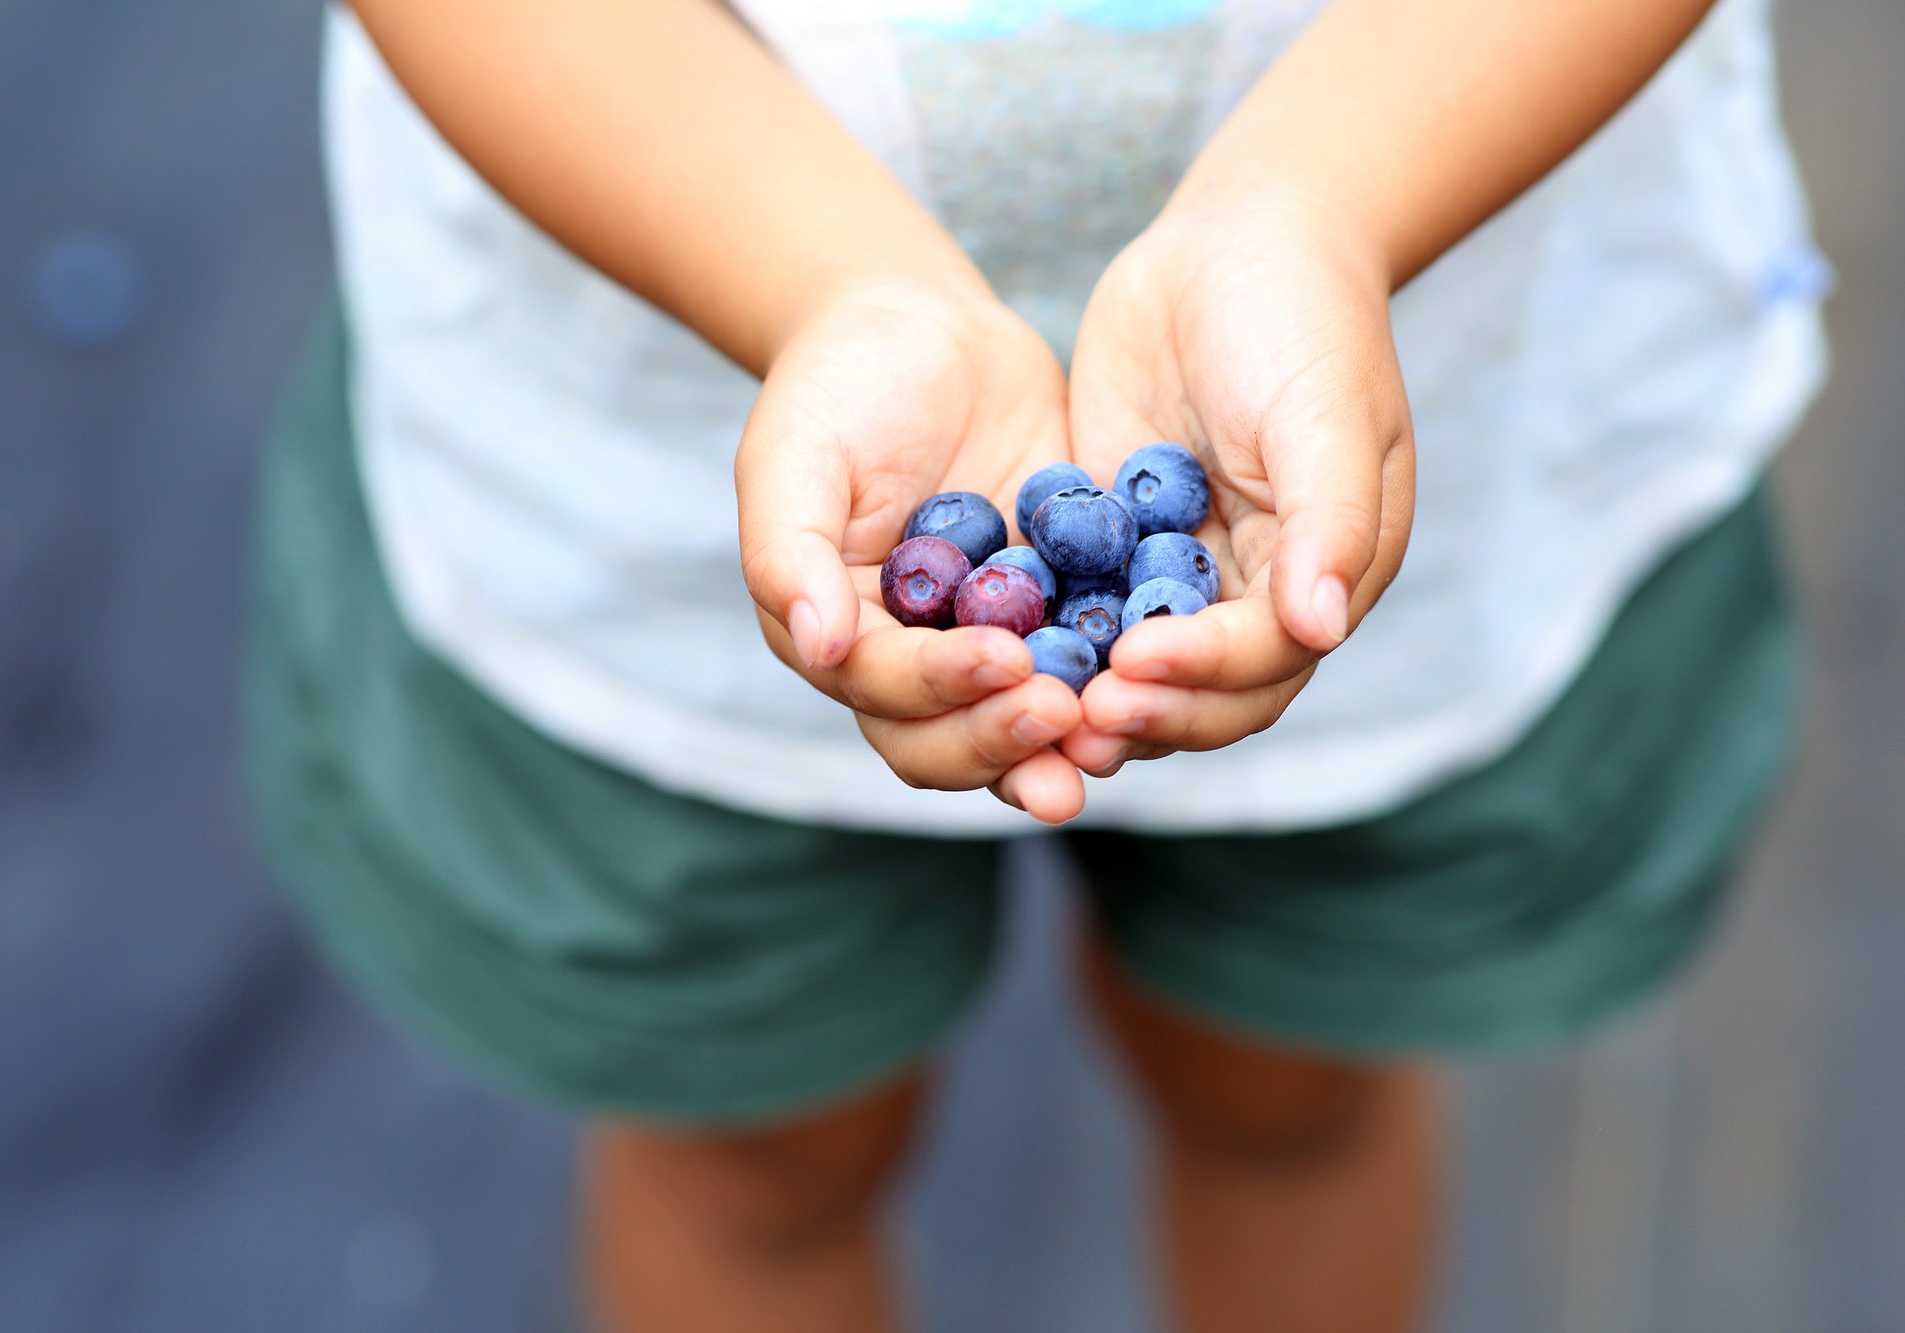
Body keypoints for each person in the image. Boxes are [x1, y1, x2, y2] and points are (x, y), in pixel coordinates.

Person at [247, 0, 1828, 1328]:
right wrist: (824, 281)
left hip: (1423, 395)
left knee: (1292, 1091)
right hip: (640, 475)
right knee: (751, 1151)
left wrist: (1321, 205)